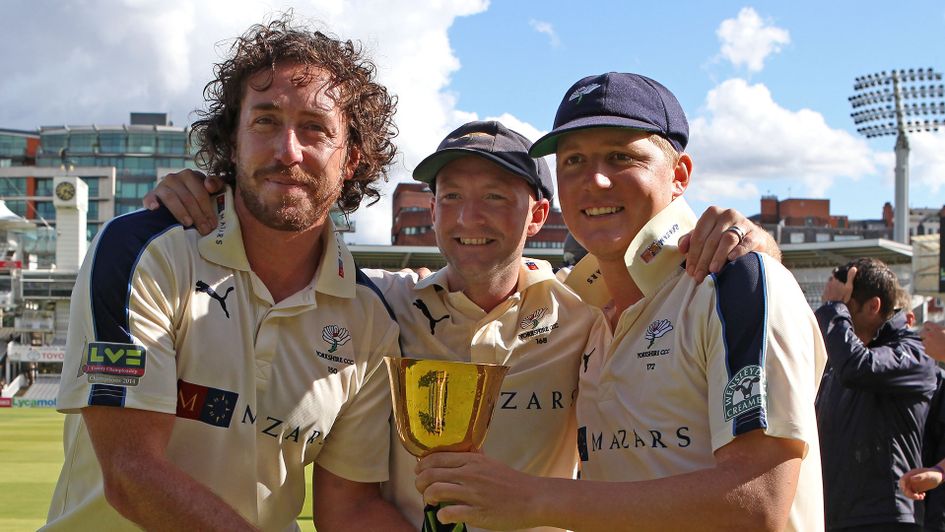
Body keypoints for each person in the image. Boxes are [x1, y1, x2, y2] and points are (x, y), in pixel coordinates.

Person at [146, 117, 779, 531]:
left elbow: (695, 280)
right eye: (450, 196)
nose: (467, 217)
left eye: (495, 197)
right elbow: (282, 262)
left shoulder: (584, 315)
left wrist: (752, 241)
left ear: (535, 216)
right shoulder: (382, 308)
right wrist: (199, 199)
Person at [412, 72, 826, 531]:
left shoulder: (736, 285)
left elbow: (758, 503)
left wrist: (534, 499)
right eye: (573, 161)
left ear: (680, 175)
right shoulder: (581, 309)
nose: (595, 181)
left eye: (620, 156)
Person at [44, 17, 413, 531]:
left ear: (350, 158)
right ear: (231, 142)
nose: (288, 151)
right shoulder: (143, 250)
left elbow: (349, 507)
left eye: (315, 128)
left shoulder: (368, 317)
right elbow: (132, 473)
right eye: (265, 121)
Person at [816, 258, 938, 531]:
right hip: (838, 517)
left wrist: (832, 310)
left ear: (874, 307)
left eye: (845, 310)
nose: (841, 321)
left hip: (887, 517)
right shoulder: (842, 357)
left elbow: (858, 368)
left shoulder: (916, 353)